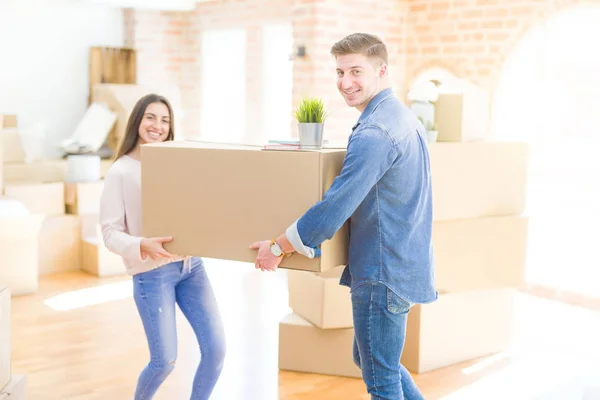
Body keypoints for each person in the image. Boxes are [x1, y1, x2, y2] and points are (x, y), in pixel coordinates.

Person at [250, 33, 437, 399]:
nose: (345, 82)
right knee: (370, 359)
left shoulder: (375, 132)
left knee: (381, 380)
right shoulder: (401, 117)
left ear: (381, 70)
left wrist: (278, 246)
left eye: (356, 71)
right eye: (339, 72)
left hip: (383, 270)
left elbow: (337, 205)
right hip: (403, 262)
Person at [100, 94, 226, 400]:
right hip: (152, 275)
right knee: (164, 362)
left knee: (217, 350)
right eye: (151, 117)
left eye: (165, 120)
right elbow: (110, 233)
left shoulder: (176, 164)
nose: (158, 125)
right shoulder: (120, 171)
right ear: (137, 121)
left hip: (191, 267)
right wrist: (142, 245)